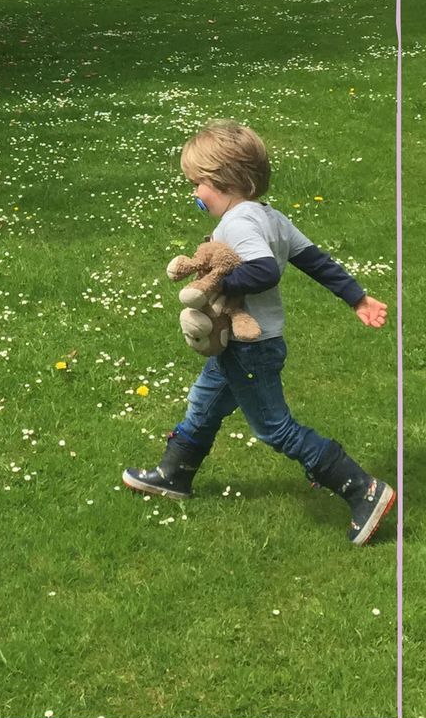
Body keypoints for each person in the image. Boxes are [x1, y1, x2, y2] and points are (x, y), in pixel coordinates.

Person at [123, 121, 394, 545]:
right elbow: (314, 260)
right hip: (245, 343)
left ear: (226, 180)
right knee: (205, 402)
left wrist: (218, 284)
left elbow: (264, 271)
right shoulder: (271, 216)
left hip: (252, 344)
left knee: (274, 428)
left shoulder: (238, 223)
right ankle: (174, 474)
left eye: (198, 183)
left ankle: (362, 489)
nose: (195, 193)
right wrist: (357, 297)